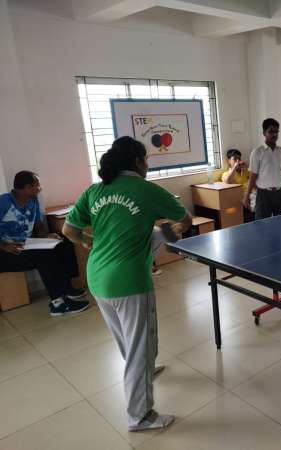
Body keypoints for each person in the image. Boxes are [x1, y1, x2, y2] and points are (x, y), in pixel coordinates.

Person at [62, 136, 192, 432]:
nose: (148, 165)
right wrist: (174, 229)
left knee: (128, 340)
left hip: (97, 277)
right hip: (129, 281)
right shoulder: (147, 189)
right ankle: (140, 416)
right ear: (136, 162)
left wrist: (86, 241)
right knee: (138, 348)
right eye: (146, 159)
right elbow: (184, 218)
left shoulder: (95, 191)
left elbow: (68, 229)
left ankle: (145, 367)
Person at [0, 171, 89, 316]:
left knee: (63, 242)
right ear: (27, 187)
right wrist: (4, 246)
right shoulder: (3, 202)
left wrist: (47, 236)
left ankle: (67, 288)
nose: (40, 188)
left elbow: (38, 226)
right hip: (5, 252)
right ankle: (58, 304)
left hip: (25, 245)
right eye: (37, 185)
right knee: (43, 257)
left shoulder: (32, 201)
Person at [243, 118, 281, 219]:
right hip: (263, 195)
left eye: (276, 132)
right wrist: (247, 195)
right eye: (270, 132)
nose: (274, 135)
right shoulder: (257, 152)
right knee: (261, 226)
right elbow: (253, 176)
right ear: (264, 133)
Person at [222, 148, 255, 221]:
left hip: (253, 193)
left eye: (239, 159)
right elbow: (227, 180)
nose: (238, 161)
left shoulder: (245, 171)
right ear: (229, 161)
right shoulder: (226, 174)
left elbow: (255, 178)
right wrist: (234, 167)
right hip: (244, 197)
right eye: (235, 159)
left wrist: (247, 167)